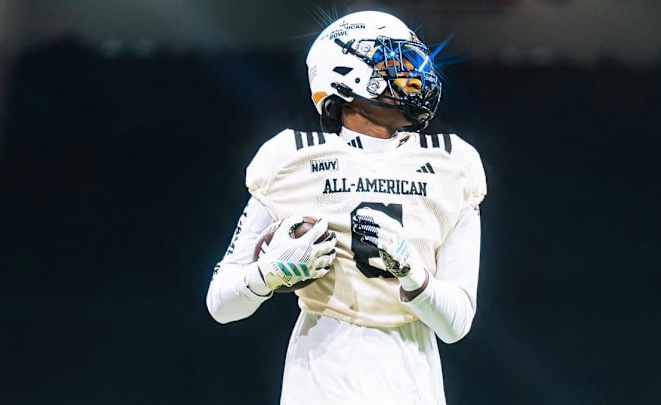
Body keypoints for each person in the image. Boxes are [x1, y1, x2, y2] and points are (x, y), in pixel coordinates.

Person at [206, 9, 487, 405]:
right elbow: (221, 304)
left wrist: (412, 271)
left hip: (411, 383)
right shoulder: (291, 158)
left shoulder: (453, 163)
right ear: (344, 72)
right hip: (320, 379)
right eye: (394, 62)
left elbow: (455, 324)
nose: (413, 75)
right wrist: (269, 273)